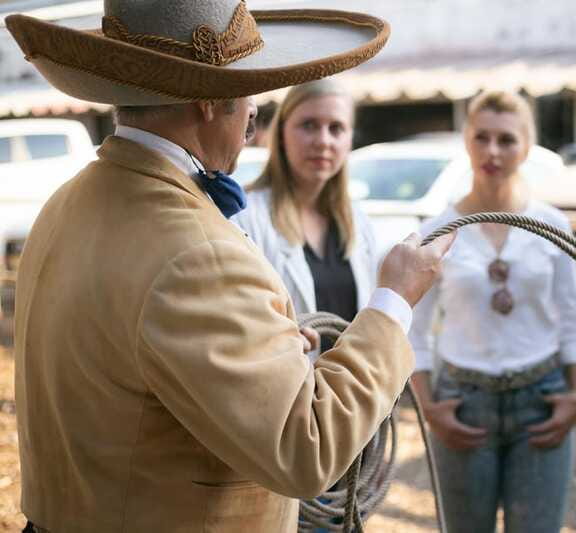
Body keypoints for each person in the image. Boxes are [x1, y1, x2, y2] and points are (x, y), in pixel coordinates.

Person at [5, 2, 455, 532]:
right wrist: (394, 301)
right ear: (211, 102)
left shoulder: (69, 201)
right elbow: (306, 447)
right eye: (250, 101)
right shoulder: (196, 251)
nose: (249, 121)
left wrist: (268, 355)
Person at [408, 91, 576, 533]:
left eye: (506, 140)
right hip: (464, 402)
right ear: (466, 140)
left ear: (527, 146)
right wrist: (429, 407)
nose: (492, 151)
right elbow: (414, 329)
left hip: (540, 399)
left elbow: (572, 316)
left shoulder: (552, 224)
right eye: (482, 137)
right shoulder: (437, 231)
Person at [234, 80, 376, 354]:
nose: (323, 141)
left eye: (336, 128)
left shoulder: (358, 221)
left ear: (349, 139)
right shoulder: (245, 216)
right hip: (286, 388)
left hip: (348, 389)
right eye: (309, 125)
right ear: (282, 134)